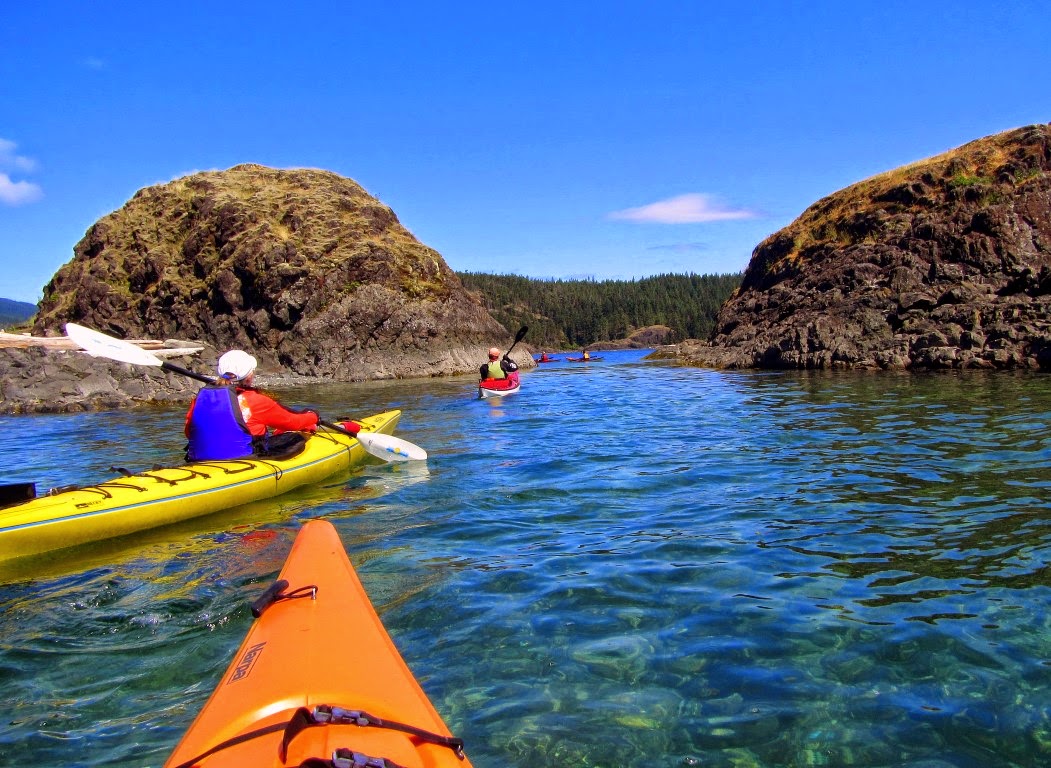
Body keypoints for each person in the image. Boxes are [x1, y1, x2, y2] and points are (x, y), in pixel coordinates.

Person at [184, 349, 349, 461]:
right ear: (248, 376)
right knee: (295, 437)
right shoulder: (256, 401)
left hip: (199, 460)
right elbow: (294, 422)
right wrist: (312, 415)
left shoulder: (200, 398)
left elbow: (188, 432)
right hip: (244, 460)